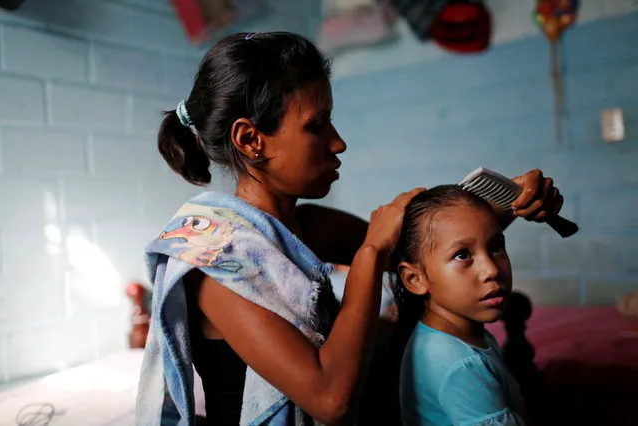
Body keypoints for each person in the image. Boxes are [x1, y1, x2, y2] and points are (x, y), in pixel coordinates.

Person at [135, 31, 564, 425]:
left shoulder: (313, 227)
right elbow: (330, 400)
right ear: (251, 140)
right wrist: (372, 250)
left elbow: (426, 261)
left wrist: (510, 204)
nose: (338, 142)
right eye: (316, 126)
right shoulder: (217, 263)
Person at [391, 185, 527, 425]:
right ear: (415, 279)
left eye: (496, 247)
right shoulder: (462, 365)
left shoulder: (463, 336)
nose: (491, 270)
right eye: (462, 255)